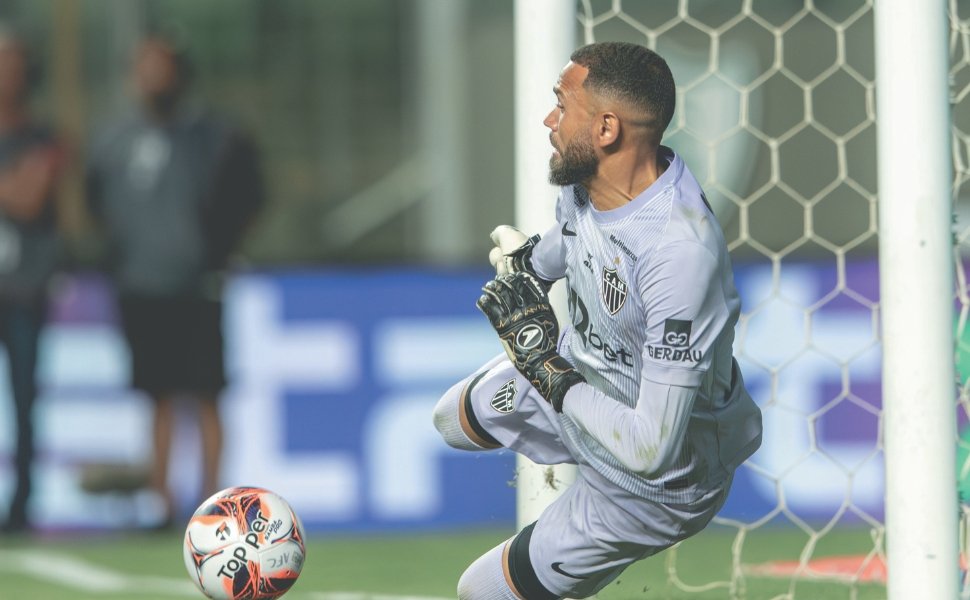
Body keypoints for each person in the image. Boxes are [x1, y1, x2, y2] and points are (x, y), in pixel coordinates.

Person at [433, 42, 763, 599]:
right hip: (583, 379)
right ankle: (562, 459)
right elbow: (572, 241)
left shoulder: (678, 256)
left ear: (607, 128)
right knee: (451, 420)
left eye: (562, 105)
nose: (548, 120)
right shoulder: (590, 185)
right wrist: (528, 266)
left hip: (652, 484)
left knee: (480, 592)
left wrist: (543, 365)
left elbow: (649, 447)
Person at [85, 34, 264, 527]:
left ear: (181, 74)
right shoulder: (114, 139)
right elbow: (95, 201)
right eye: (144, 67)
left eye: (160, 67)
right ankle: (162, 505)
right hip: (141, 283)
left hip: (197, 281)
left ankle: (214, 505)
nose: (152, 77)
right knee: (157, 393)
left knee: (206, 392)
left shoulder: (215, 135)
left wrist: (217, 252)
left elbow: (247, 196)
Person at [0, 28, 64, 533]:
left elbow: (29, 199)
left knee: (25, 399)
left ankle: (22, 502)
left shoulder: (43, 136)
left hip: (22, 289)